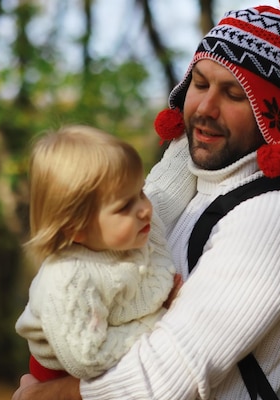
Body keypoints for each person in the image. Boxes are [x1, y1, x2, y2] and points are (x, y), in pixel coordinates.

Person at [8, 0, 280, 400]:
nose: (206, 108)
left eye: (233, 93)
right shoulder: (195, 188)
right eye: (199, 84)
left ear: (273, 118)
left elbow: (166, 376)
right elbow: (103, 226)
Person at [15, 125, 188, 382]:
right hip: (64, 373)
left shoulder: (140, 226)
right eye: (124, 206)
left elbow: (170, 182)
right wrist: (160, 318)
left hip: (116, 351)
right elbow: (89, 357)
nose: (143, 208)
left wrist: (189, 137)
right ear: (77, 229)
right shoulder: (69, 278)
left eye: (139, 192)